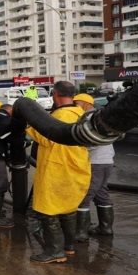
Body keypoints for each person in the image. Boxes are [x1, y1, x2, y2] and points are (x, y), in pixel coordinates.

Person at [26, 81, 90, 264]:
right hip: (78, 170)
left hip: (56, 171)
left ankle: (55, 251)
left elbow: (44, 138)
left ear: (55, 94)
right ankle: (68, 247)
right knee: (68, 210)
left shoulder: (59, 116)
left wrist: (29, 120)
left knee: (48, 211)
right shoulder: (80, 114)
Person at [73, 94, 115, 241]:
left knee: (84, 196)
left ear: (85, 103)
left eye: (76, 103)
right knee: (101, 193)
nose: (75, 105)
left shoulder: (89, 119)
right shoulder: (99, 117)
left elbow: (91, 142)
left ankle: (81, 233)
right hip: (106, 160)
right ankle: (105, 227)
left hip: (95, 162)